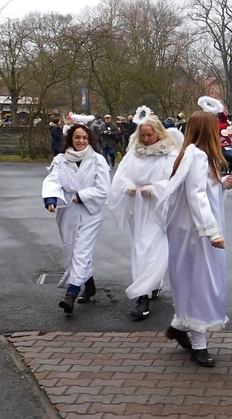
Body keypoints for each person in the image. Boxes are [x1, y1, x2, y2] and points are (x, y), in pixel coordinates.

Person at [157, 109, 232, 368]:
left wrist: (221, 183)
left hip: (190, 231)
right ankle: (199, 346)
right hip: (196, 233)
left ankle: (179, 326)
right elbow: (196, 196)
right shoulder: (198, 156)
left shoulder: (193, 154)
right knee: (201, 282)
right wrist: (212, 231)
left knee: (190, 281)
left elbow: (203, 189)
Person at [108, 114, 182, 321]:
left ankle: (143, 293)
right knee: (141, 249)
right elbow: (121, 177)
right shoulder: (134, 155)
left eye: (150, 135)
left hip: (160, 210)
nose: (147, 139)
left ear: (159, 133)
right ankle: (147, 290)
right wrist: (127, 187)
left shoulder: (170, 156)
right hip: (139, 210)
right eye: (143, 135)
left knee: (154, 250)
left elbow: (177, 182)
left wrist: (156, 188)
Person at [42, 124, 111, 314]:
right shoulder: (61, 160)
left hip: (91, 211)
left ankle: (71, 293)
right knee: (73, 250)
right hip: (67, 210)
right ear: (70, 139)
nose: (81, 141)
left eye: (84, 138)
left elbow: (104, 187)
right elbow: (53, 180)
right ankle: (89, 285)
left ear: (90, 140)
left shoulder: (98, 160)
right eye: (77, 137)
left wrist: (83, 196)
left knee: (82, 249)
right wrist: (50, 198)